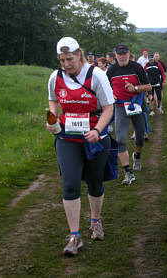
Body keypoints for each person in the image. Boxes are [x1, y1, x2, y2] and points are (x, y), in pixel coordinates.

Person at [47, 37, 114, 256]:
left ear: (79, 55)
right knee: (70, 184)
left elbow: (108, 108)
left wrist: (97, 131)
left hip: (95, 137)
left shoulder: (97, 75)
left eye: (70, 58)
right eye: (62, 60)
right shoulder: (55, 77)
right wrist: (53, 119)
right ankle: (74, 236)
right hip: (67, 137)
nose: (66, 64)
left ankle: (96, 221)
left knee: (94, 183)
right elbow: (53, 100)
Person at [107, 44, 151, 185]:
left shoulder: (136, 67)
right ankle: (128, 173)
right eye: (119, 54)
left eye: (124, 53)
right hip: (120, 107)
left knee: (140, 137)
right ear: (116, 55)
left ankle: (137, 156)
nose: (122, 56)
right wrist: (111, 95)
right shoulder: (112, 70)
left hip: (136, 104)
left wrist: (135, 88)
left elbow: (148, 86)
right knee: (120, 139)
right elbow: (106, 88)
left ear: (128, 53)